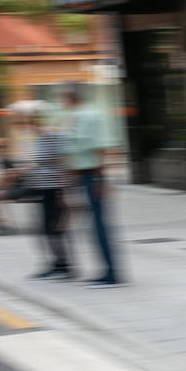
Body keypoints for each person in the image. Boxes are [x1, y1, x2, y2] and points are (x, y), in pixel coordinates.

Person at [59, 81, 122, 287]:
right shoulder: (73, 116)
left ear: (72, 96)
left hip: (93, 177)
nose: (62, 100)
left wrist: (101, 178)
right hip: (82, 177)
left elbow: (102, 148)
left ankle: (111, 273)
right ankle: (106, 270)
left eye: (63, 96)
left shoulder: (90, 115)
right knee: (92, 227)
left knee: (99, 226)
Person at [20, 102, 74, 280]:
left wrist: (61, 192)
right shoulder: (38, 139)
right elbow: (40, 163)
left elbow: (61, 164)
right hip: (41, 189)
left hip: (53, 189)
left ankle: (64, 266)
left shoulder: (51, 137)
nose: (29, 126)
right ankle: (56, 264)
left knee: (53, 227)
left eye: (32, 122)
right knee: (46, 228)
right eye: (28, 122)